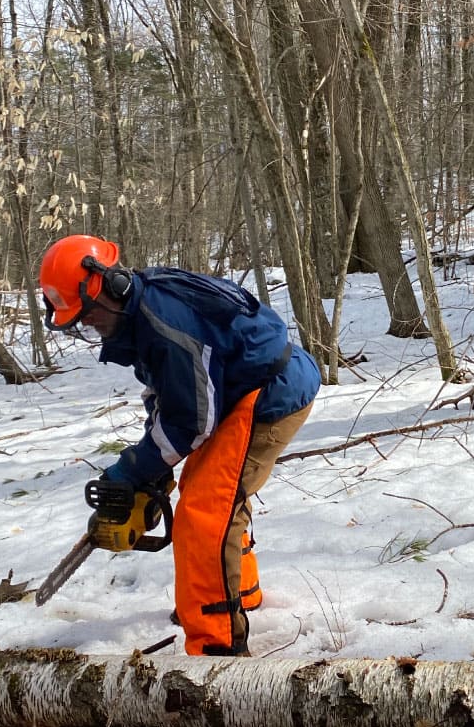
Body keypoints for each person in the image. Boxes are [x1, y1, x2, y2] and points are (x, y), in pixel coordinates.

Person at [39, 234, 321, 657]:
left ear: (110, 287)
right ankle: (237, 591)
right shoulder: (143, 311)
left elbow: (192, 421)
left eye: (88, 314)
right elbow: (169, 394)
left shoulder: (166, 323)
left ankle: (216, 646)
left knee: (205, 512)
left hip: (268, 393)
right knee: (208, 491)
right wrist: (150, 465)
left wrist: (134, 470)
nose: (86, 324)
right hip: (241, 388)